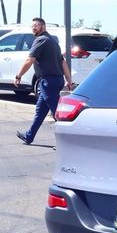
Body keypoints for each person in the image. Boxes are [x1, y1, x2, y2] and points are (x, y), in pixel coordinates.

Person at [14, 17, 73, 145]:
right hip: (56, 81)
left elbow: (29, 60)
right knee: (40, 111)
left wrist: (19, 75)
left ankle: (70, 142)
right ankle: (29, 136)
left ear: (43, 26)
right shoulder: (53, 41)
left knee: (57, 113)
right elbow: (63, 62)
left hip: (48, 82)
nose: (33, 28)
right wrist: (69, 79)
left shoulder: (41, 40)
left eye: (36, 25)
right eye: (32, 26)